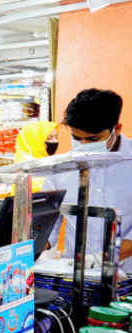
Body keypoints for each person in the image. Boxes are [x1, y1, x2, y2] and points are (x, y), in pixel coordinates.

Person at [46, 89, 132, 273]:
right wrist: (37, 249)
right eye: (76, 138)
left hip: (126, 275)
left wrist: (104, 258)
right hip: (72, 273)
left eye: (93, 139)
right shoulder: (60, 167)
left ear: (116, 129)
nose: (83, 145)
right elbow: (49, 222)